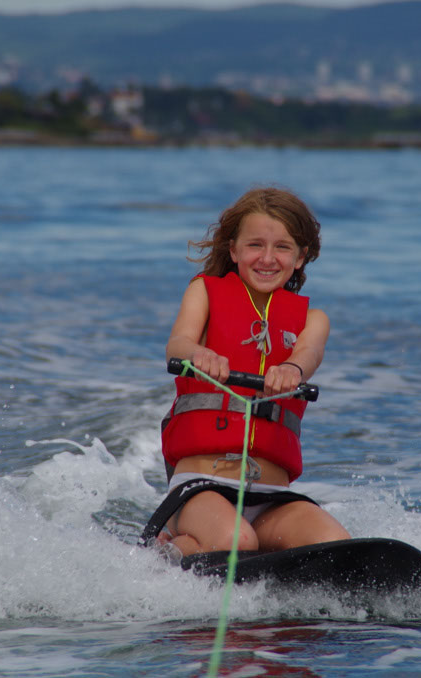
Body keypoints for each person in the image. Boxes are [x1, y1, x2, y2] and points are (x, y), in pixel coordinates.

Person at [140, 187, 351, 562]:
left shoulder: (313, 320)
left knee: (334, 543)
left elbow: (309, 353)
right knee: (236, 540)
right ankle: (167, 552)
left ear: (301, 257)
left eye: (282, 247)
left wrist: (292, 368)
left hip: (271, 499)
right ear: (234, 250)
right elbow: (178, 343)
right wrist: (199, 354)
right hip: (201, 488)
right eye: (255, 245)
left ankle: (239, 549)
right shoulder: (204, 292)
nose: (267, 258)